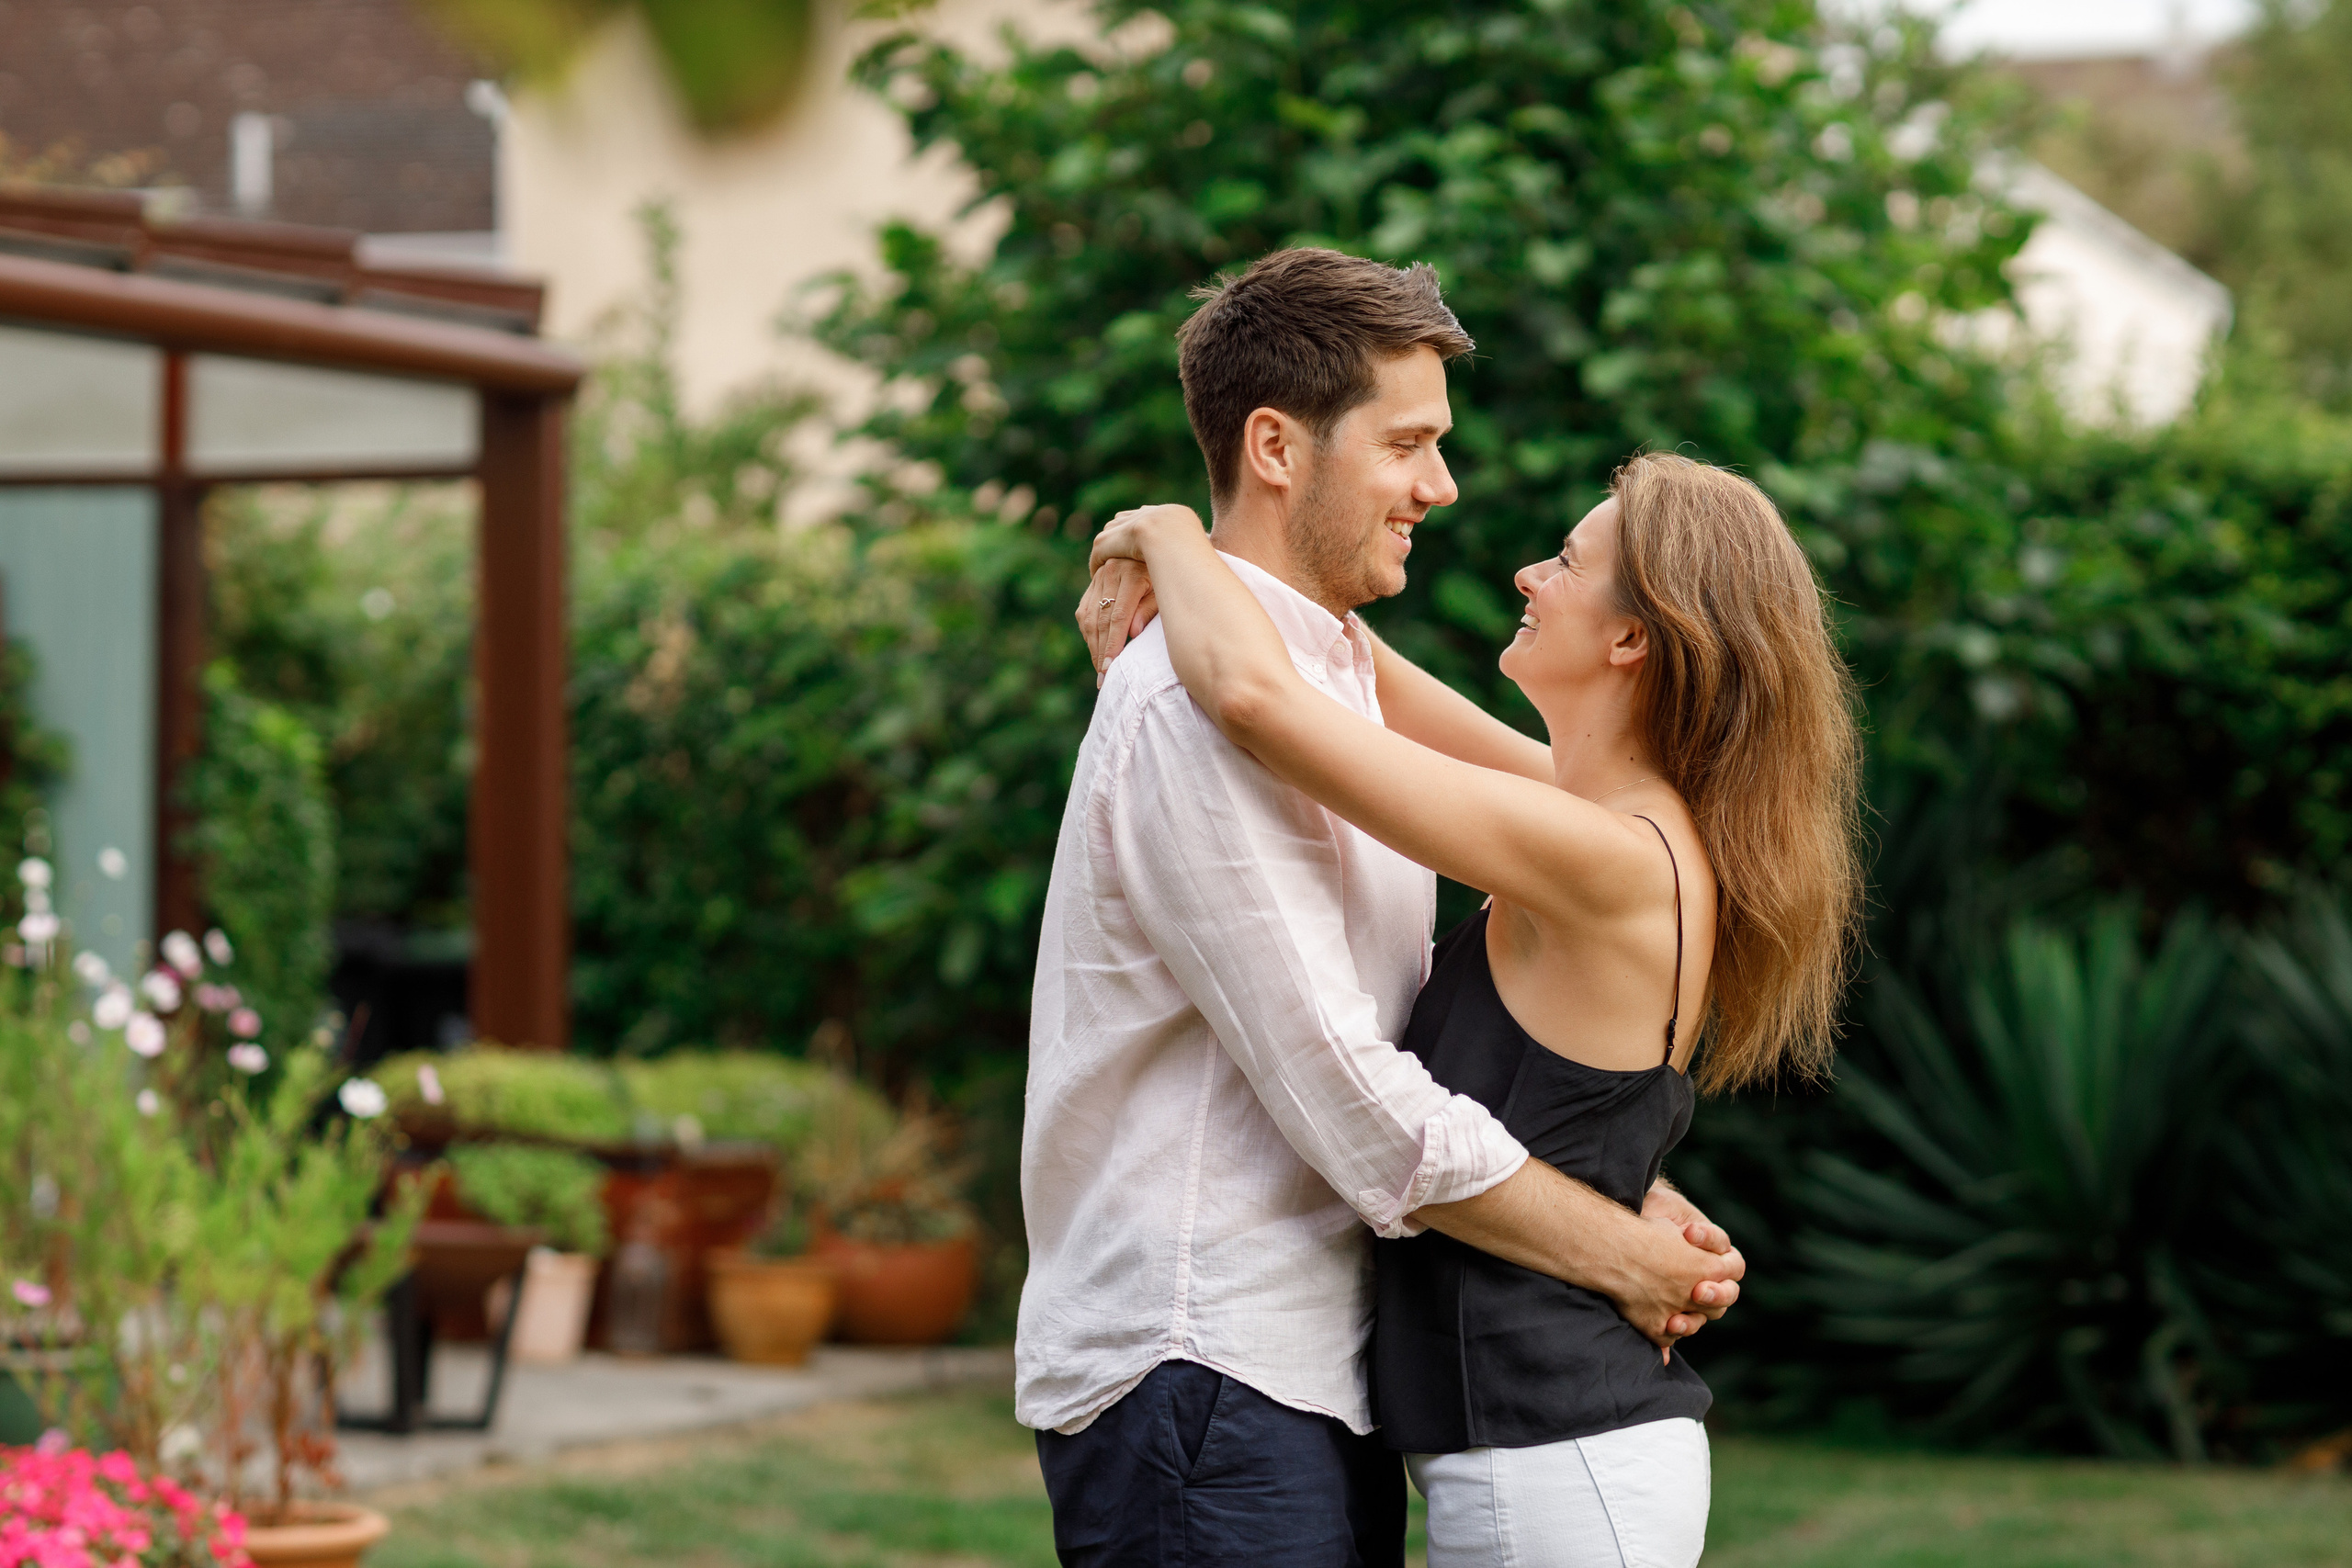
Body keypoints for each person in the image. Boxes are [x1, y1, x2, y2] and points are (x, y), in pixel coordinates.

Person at [1020, 246, 1749, 1568]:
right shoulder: (1196, 700)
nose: (1442, 486)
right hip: (1203, 1360)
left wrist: (1160, 530)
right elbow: (1350, 1091)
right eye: (1408, 444)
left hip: (1306, 1367)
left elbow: (1412, 1027)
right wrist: (1609, 1242)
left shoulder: (1330, 685)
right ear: (1276, 447)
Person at [1080, 448, 1864, 1566]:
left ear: (1630, 640)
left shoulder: (1604, 853)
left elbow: (1258, 701)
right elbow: (1348, 665)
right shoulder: (1603, 820)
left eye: (1566, 563)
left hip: (1556, 1457)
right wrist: (1219, 552)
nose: (1527, 576)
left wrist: (1161, 531)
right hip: (1543, 1448)